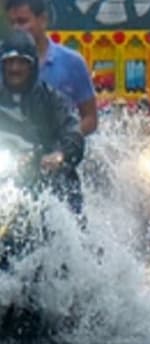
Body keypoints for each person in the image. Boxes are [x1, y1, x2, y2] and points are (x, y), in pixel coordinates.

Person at [0, 30, 85, 215]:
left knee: (64, 206)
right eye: (9, 62)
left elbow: (73, 131)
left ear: (32, 66)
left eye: (21, 62)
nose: (15, 68)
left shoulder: (52, 99)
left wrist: (61, 154)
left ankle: (74, 240)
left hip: (46, 178)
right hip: (6, 176)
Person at [5, 0, 98, 137]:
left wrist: (67, 139)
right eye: (12, 23)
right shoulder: (4, 62)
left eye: (22, 22)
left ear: (42, 20)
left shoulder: (72, 62)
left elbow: (90, 118)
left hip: (58, 151)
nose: (17, 28)